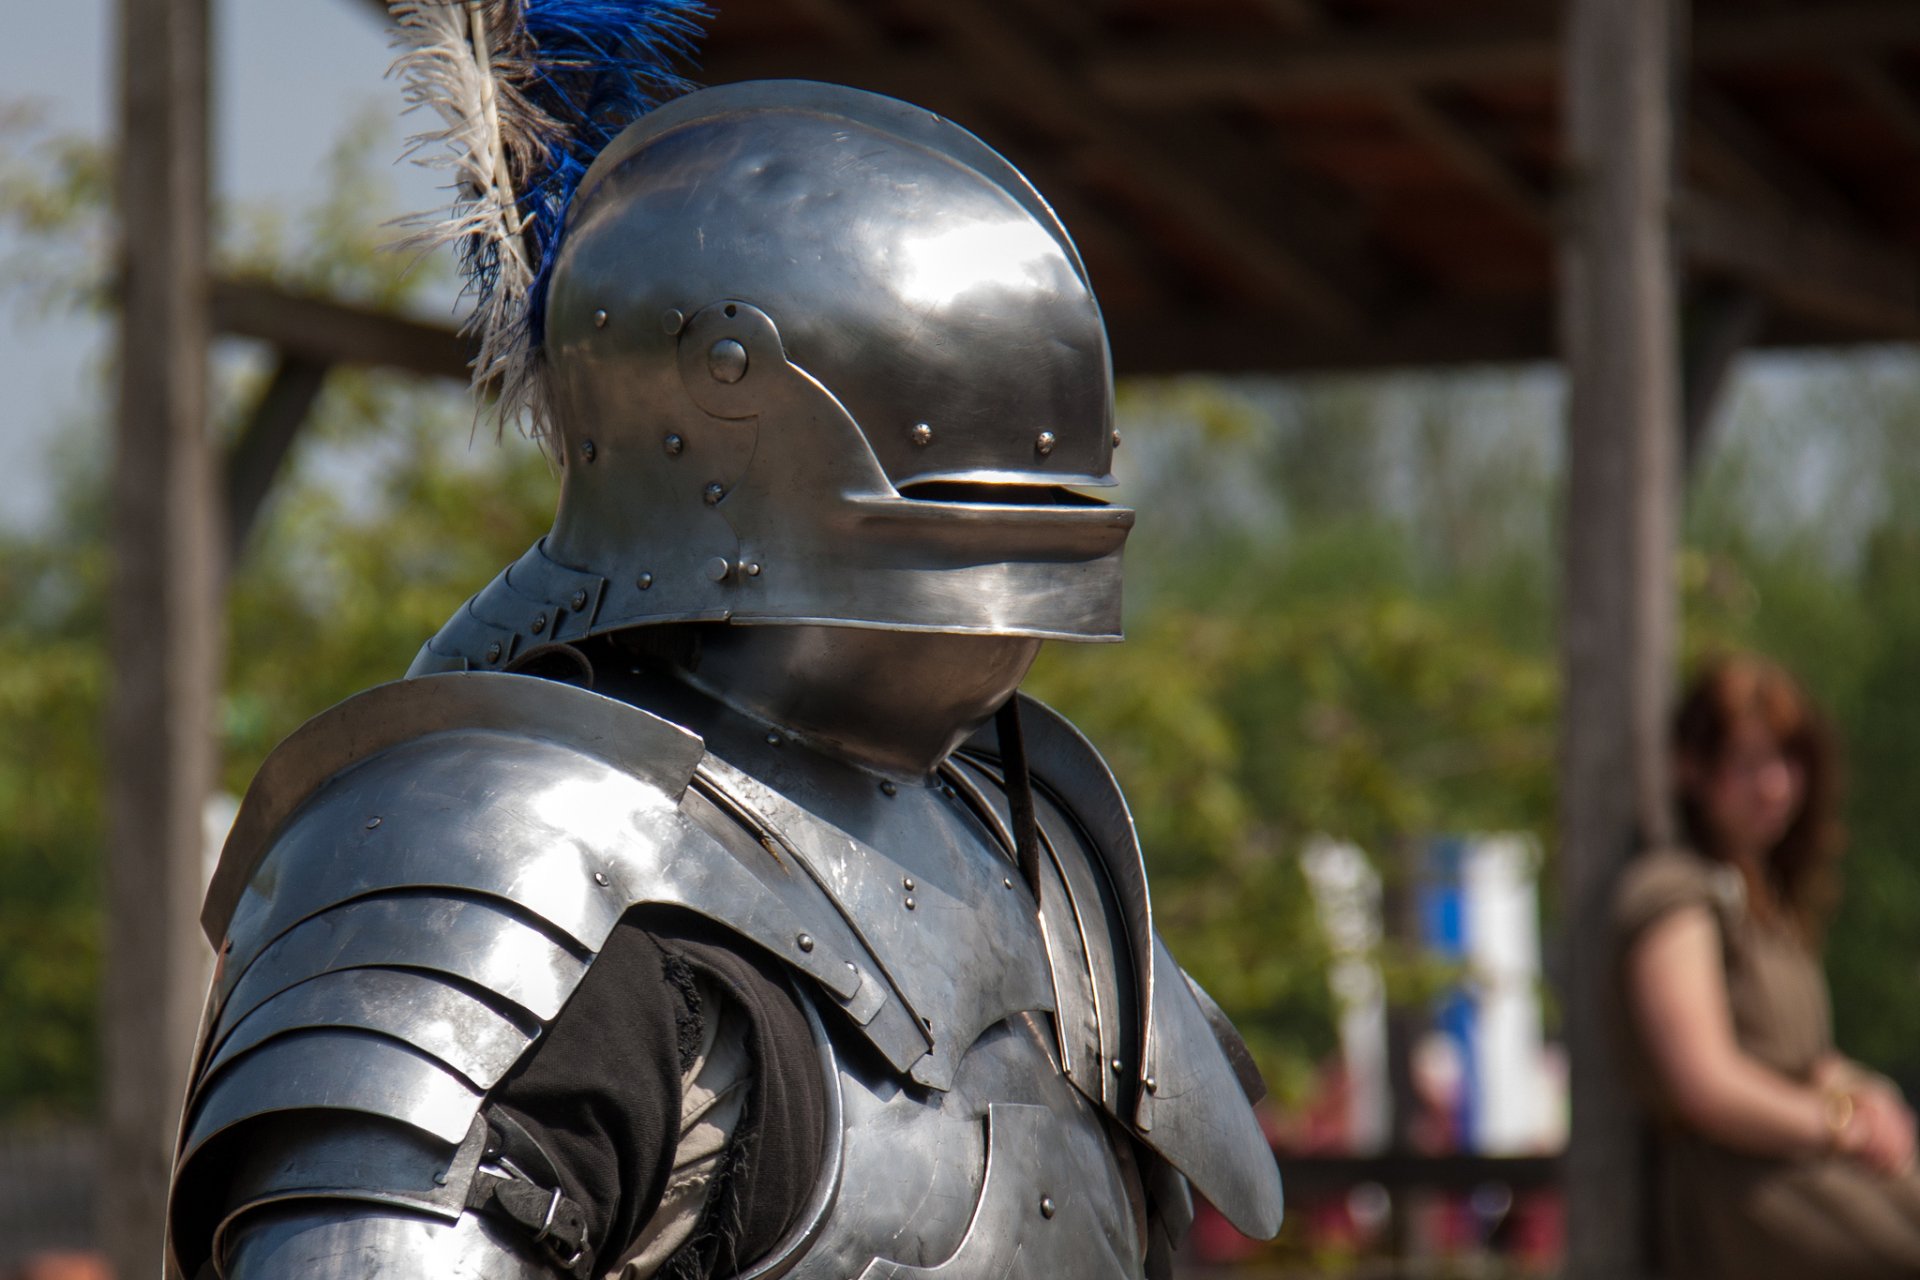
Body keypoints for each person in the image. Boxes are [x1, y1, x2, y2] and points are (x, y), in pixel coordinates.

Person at [161, 14, 1284, 1278]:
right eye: (986, 497)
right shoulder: (500, 863)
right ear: (724, 400)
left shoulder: (1046, 861)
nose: (1032, 555)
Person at [1614, 654, 1920, 1277]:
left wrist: (1866, 1092)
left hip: (1802, 1172)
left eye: (1786, 762)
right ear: (1693, 770)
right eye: (1747, 765)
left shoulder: (1764, 900)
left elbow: (1803, 1056)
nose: (1774, 786)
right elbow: (1706, 1084)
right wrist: (1838, 1125)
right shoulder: (1677, 898)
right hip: (1744, 1197)